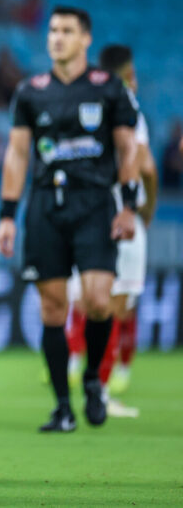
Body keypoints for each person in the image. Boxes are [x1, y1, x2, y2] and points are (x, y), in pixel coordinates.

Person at [0, 7, 138, 432]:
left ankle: (93, 378)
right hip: (45, 205)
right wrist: (8, 215)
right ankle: (63, 407)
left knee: (97, 300)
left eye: (67, 31)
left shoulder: (109, 88)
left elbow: (127, 148)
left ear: (85, 38)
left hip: (95, 202)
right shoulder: (30, 91)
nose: (57, 37)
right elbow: (18, 154)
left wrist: (128, 204)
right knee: (53, 308)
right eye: (53, 30)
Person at [67, 44, 157, 415]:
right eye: (131, 75)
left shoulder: (82, 106)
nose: (135, 82)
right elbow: (147, 167)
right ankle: (99, 390)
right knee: (117, 306)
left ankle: (79, 367)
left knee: (90, 299)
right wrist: (144, 210)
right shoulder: (129, 111)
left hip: (87, 213)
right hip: (122, 214)